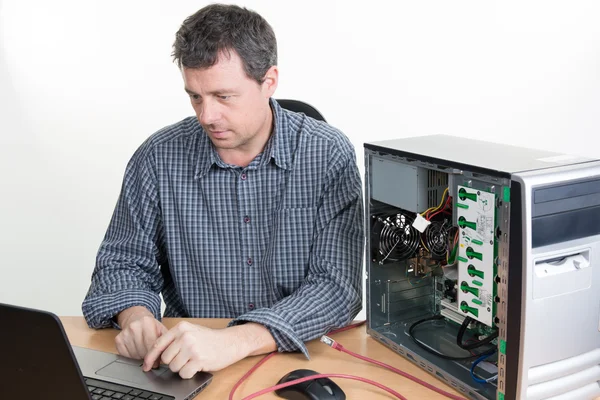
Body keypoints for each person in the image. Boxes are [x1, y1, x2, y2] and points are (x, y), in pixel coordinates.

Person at [82, 3, 363, 378]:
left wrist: (236, 341)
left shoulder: (327, 154)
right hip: (186, 363)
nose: (206, 116)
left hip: (298, 361)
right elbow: (122, 263)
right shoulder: (158, 157)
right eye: (195, 96)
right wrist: (136, 316)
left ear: (269, 81)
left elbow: (336, 286)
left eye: (223, 96)